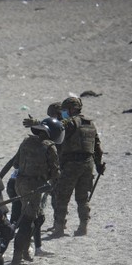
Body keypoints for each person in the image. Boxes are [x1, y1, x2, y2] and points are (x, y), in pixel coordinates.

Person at [11, 117, 61, 265]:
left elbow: (15, 163)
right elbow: (55, 172)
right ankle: (17, 256)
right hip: (35, 186)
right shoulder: (49, 146)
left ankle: (25, 250)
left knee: (38, 218)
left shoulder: (26, 142)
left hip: (20, 184)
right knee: (28, 220)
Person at [52, 96, 104, 238]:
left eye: (64, 110)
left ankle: (59, 228)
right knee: (82, 198)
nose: (63, 113)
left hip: (71, 164)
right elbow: (97, 147)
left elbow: (58, 134)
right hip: (88, 164)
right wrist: (99, 166)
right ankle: (83, 227)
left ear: (71, 109)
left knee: (62, 196)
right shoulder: (90, 124)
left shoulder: (71, 122)